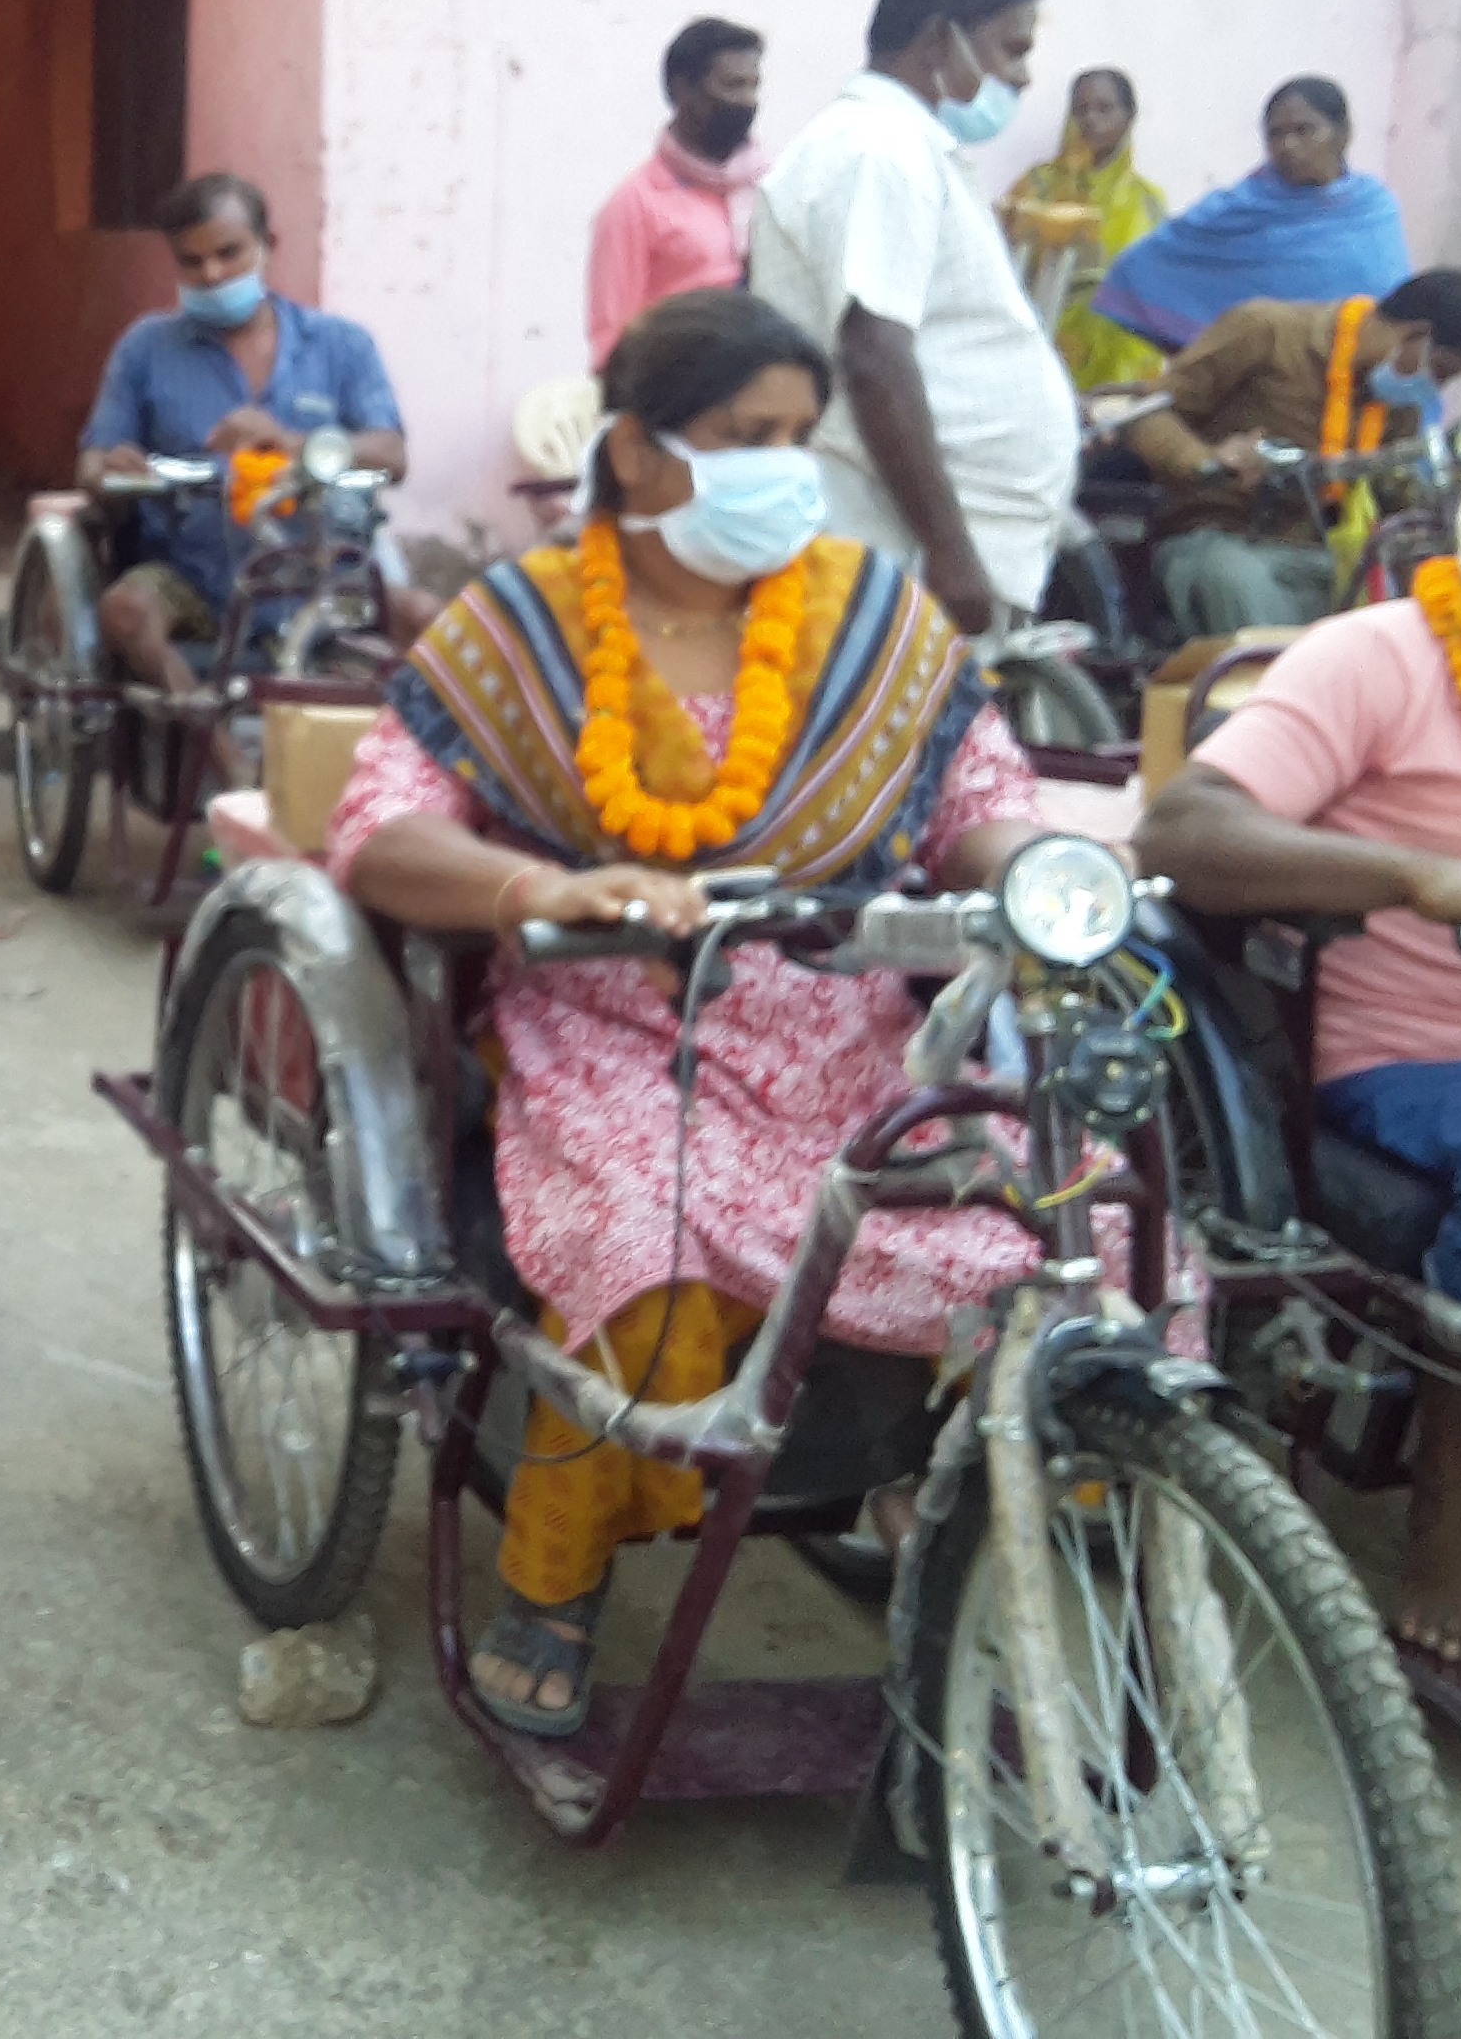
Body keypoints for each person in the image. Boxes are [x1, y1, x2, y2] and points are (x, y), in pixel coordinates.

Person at [327, 287, 1061, 1735]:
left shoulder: (871, 611)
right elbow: (380, 830)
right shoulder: (522, 619)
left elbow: (981, 796)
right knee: (635, 1231)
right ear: (642, 452)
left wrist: (1041, 876)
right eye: (746, 437)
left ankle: (937, 1498)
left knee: (1048, 1233)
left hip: (845, 1020)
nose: (786, 467)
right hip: (610, 1019)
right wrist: (544, 884)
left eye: (801, 435)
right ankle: (559, 1577)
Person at [1136, 374, 1461, 1677]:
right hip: (1427, 1059)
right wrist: (1423, 877)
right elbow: (1185, 830)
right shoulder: (1386, 658)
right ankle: (1448, 1498)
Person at [751, 0, 1077, 636]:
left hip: (929, 536)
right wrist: (951, 553)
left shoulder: (904, 146)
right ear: (940, 39)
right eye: (1009, 51)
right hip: (901, 539)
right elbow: (873, 352)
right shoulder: (877, 149)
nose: (1021, 78)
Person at [77, 171, 415, 719]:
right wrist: (112, 469)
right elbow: (93, 461)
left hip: (322, 570)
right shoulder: (146, 350)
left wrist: (296, 445)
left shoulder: (341, 346)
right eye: (191, 262)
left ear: (267, 247)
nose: (211, 274)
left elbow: (392, 455)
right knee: (125, 613)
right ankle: (219, 755)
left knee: (429, 620)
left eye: (228, 254)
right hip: (190, 574)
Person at [1118, 268, 1461, 631]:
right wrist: (1206, 461)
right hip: (1216, 537)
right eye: (1440, 371)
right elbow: (1145, 414)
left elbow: (1390, 494)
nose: (1434, 388)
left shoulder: (1397, 401)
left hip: (1318, 552)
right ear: (1415, 337)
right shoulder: (1265, 330)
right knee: (1243, 585)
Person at [1091, 76, 1413, 355]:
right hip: (1265, 398)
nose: (1288, 146)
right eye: (1275, 134)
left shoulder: (1373, 209)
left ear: (1343, 133)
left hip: (1359, 389)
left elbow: (1396, 314)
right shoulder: (1234, 212)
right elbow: (1136, 270)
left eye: (1304, 130)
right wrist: (1202, 360)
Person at [585, 18, 768, 368]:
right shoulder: (636, 202)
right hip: (679, 395)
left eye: (753, 87)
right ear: (683, 90)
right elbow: (612, 340)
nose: (746, 102)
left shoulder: (770, 189)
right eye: (732, 85)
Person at [1004, 67, 1168, 389]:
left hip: (1120, 361)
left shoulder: (1147, 202)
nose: (1091, 120)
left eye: (1105, 109)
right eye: (1081, 110)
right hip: (1043, 350)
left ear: (1129, 116)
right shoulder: (1037, 187)